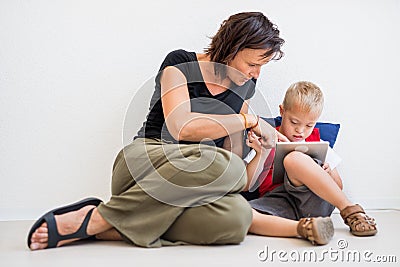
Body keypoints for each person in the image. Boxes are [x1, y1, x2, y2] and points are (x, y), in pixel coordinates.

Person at [27, 12, 289, 250]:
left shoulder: (244, 88)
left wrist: (262, 150)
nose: (255, 74)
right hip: (146, 162)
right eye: (252, 64)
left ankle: (110, 227)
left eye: (261, 68)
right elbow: (181, 126)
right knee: (225, 166)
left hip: (188, 185)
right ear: (232, 48)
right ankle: (97, 218)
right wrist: (248, 121)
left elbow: (237, 177)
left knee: (237, 218)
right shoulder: (179, 63)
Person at [242, 81, 377, 245]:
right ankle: (307, 228)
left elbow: (338, 186)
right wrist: (260, 154)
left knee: (293, 159)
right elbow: (247, 185)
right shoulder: (265, 138)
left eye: (309, 125)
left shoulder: (318, 143)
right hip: (279, 202)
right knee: (240, 213)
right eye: (294, 122)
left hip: (313, 199)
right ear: (282, 111)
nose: (300, 131)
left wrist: (328, 172)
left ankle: (351, 211)